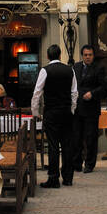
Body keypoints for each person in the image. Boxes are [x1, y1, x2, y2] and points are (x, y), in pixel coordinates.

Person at [31, 44, 77, 188]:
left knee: (53, 145)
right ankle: (68, 178)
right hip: (66, 111)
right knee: (67, 145)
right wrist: (72, 109)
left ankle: (53, 178)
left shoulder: (45, 70)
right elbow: (74, 93)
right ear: (59, 55)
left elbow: (37, 93)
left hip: (51, 111)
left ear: (47, 56)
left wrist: (35, 112)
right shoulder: (70, 70)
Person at [73, 44, 104, 174]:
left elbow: (104, 87)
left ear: (93, 55)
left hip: (91, 108)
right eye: (85, 55)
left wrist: (93, 93)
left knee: (91, 138)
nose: (87, 57)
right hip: (78, 108)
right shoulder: (76, 67)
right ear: (82, 55)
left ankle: (89, 164)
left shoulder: (99, 68)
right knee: (77, 137)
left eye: (90, 55)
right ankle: (77, 163)